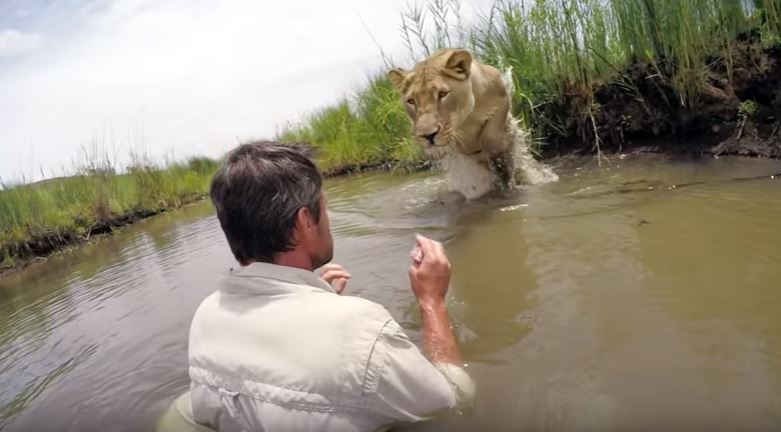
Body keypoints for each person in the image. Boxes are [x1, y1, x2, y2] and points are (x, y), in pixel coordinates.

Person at [157, 141, 474, 432]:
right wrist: (432, 301)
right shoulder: (361, 328)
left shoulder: (207, 315)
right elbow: (454, 399)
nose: (330, 217)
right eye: (325, 206)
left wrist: (311, 297)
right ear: (305, 221)